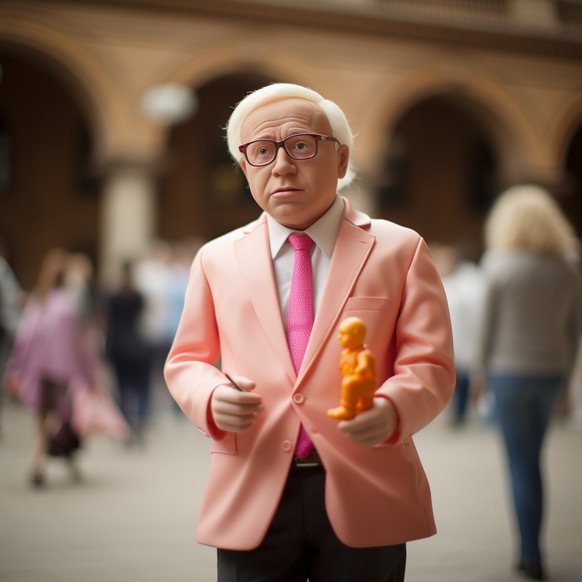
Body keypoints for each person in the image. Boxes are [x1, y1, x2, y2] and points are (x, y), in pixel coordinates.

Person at [164, 83, 455, 582]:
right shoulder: (215, 258)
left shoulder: (398, 249)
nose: (281, 165)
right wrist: (210, 397)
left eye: (301, 145)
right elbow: (186, 360)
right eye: (261, 151)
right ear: (245, 168)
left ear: (340, 160)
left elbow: (430, 363)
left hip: (367, 484)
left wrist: (391, 409)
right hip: (251, 484)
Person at [477, 185, 581, 580]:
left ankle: (530, 554)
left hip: (508, 374)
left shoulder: (499, 264)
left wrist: (481, 376)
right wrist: (568, 382)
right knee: (533, 461)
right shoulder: (566, 267)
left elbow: (487, 330)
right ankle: (532, 549)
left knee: (520, 464)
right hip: (551, 373)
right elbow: (574, 332)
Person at [5, 248, 97, 486]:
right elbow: (78, 345)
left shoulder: (38, 302)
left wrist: (15, 368)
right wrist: (88, 374)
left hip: (39, 370)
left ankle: (41, 463)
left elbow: (24, 339)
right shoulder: (67, 307)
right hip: (61, 371)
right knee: (61, 417)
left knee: (42, 419)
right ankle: (54, 462)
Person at [432, 242, 486, 426]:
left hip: (460, 341)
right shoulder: (441, 284)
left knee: (461, 377)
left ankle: (459, 413)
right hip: (443, 340)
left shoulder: (465, 285)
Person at [104, 259, 152, 444]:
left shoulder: (112, 296)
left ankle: (126, 425)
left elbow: (107, 322)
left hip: (117, 346)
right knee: (142, 388)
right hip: (137, 345)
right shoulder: (137, 295)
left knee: (122, 388)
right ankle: (141, 421)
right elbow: (142, 320)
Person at [328, 316, 377, 420]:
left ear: (357, 334)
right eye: (339, 333)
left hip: (366, 384)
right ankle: (364, 403)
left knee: (349, 383)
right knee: (364, 404)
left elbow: (365, 364)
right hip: (358, 385)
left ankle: (347, 410)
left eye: (343, 334)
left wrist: (362, 368)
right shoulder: (345, 353)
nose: (339, 337)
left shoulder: (363, 353)